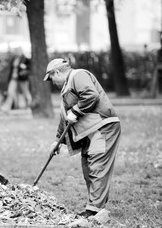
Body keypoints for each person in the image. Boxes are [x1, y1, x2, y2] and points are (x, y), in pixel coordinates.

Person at [43, 58, 121, 218]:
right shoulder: (66, 89)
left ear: (57, 72)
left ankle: (94, 210)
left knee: (96, 166)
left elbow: (91, 96)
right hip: (88, 132)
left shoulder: (78, 75)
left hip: (102, 127)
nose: (53, 83)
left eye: (51, 78)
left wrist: (76, 111)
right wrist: (57, 141)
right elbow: (65, 118)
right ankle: (95, 206)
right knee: (88, 169)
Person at [0, 46, 32, 112]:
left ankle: (29, 106)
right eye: (16, 51)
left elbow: (29, 68)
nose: (17, 52)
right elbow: (11, 69)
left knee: (25, 93)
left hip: (22, 78)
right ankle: (7, 107)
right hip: (13, 78)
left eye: (18, 51)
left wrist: (24, 69)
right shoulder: (14, 58)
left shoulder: (25, 59)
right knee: (10, 92)